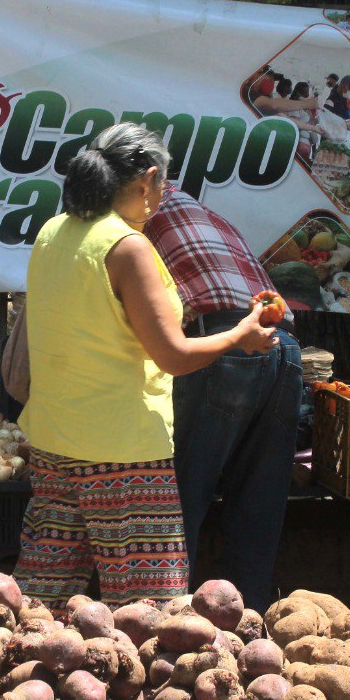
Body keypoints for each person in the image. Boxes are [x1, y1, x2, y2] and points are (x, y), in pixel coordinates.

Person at [13, 123, 277, 609]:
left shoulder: (53, 232)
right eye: (161, 187)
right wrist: (241, 334)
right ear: (146, 179)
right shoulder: (128, 247)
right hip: (123, 454)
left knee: (40, 605)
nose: (160, 200)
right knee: (147, 615)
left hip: (53, 444)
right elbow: (173, 355)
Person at [144, 184, 303, 613]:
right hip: (283, 345)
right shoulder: (209, 216)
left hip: (227, 342)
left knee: (179, 499)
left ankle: (165, 622)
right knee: (258, 505)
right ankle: (248, 625)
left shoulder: (135, 215)